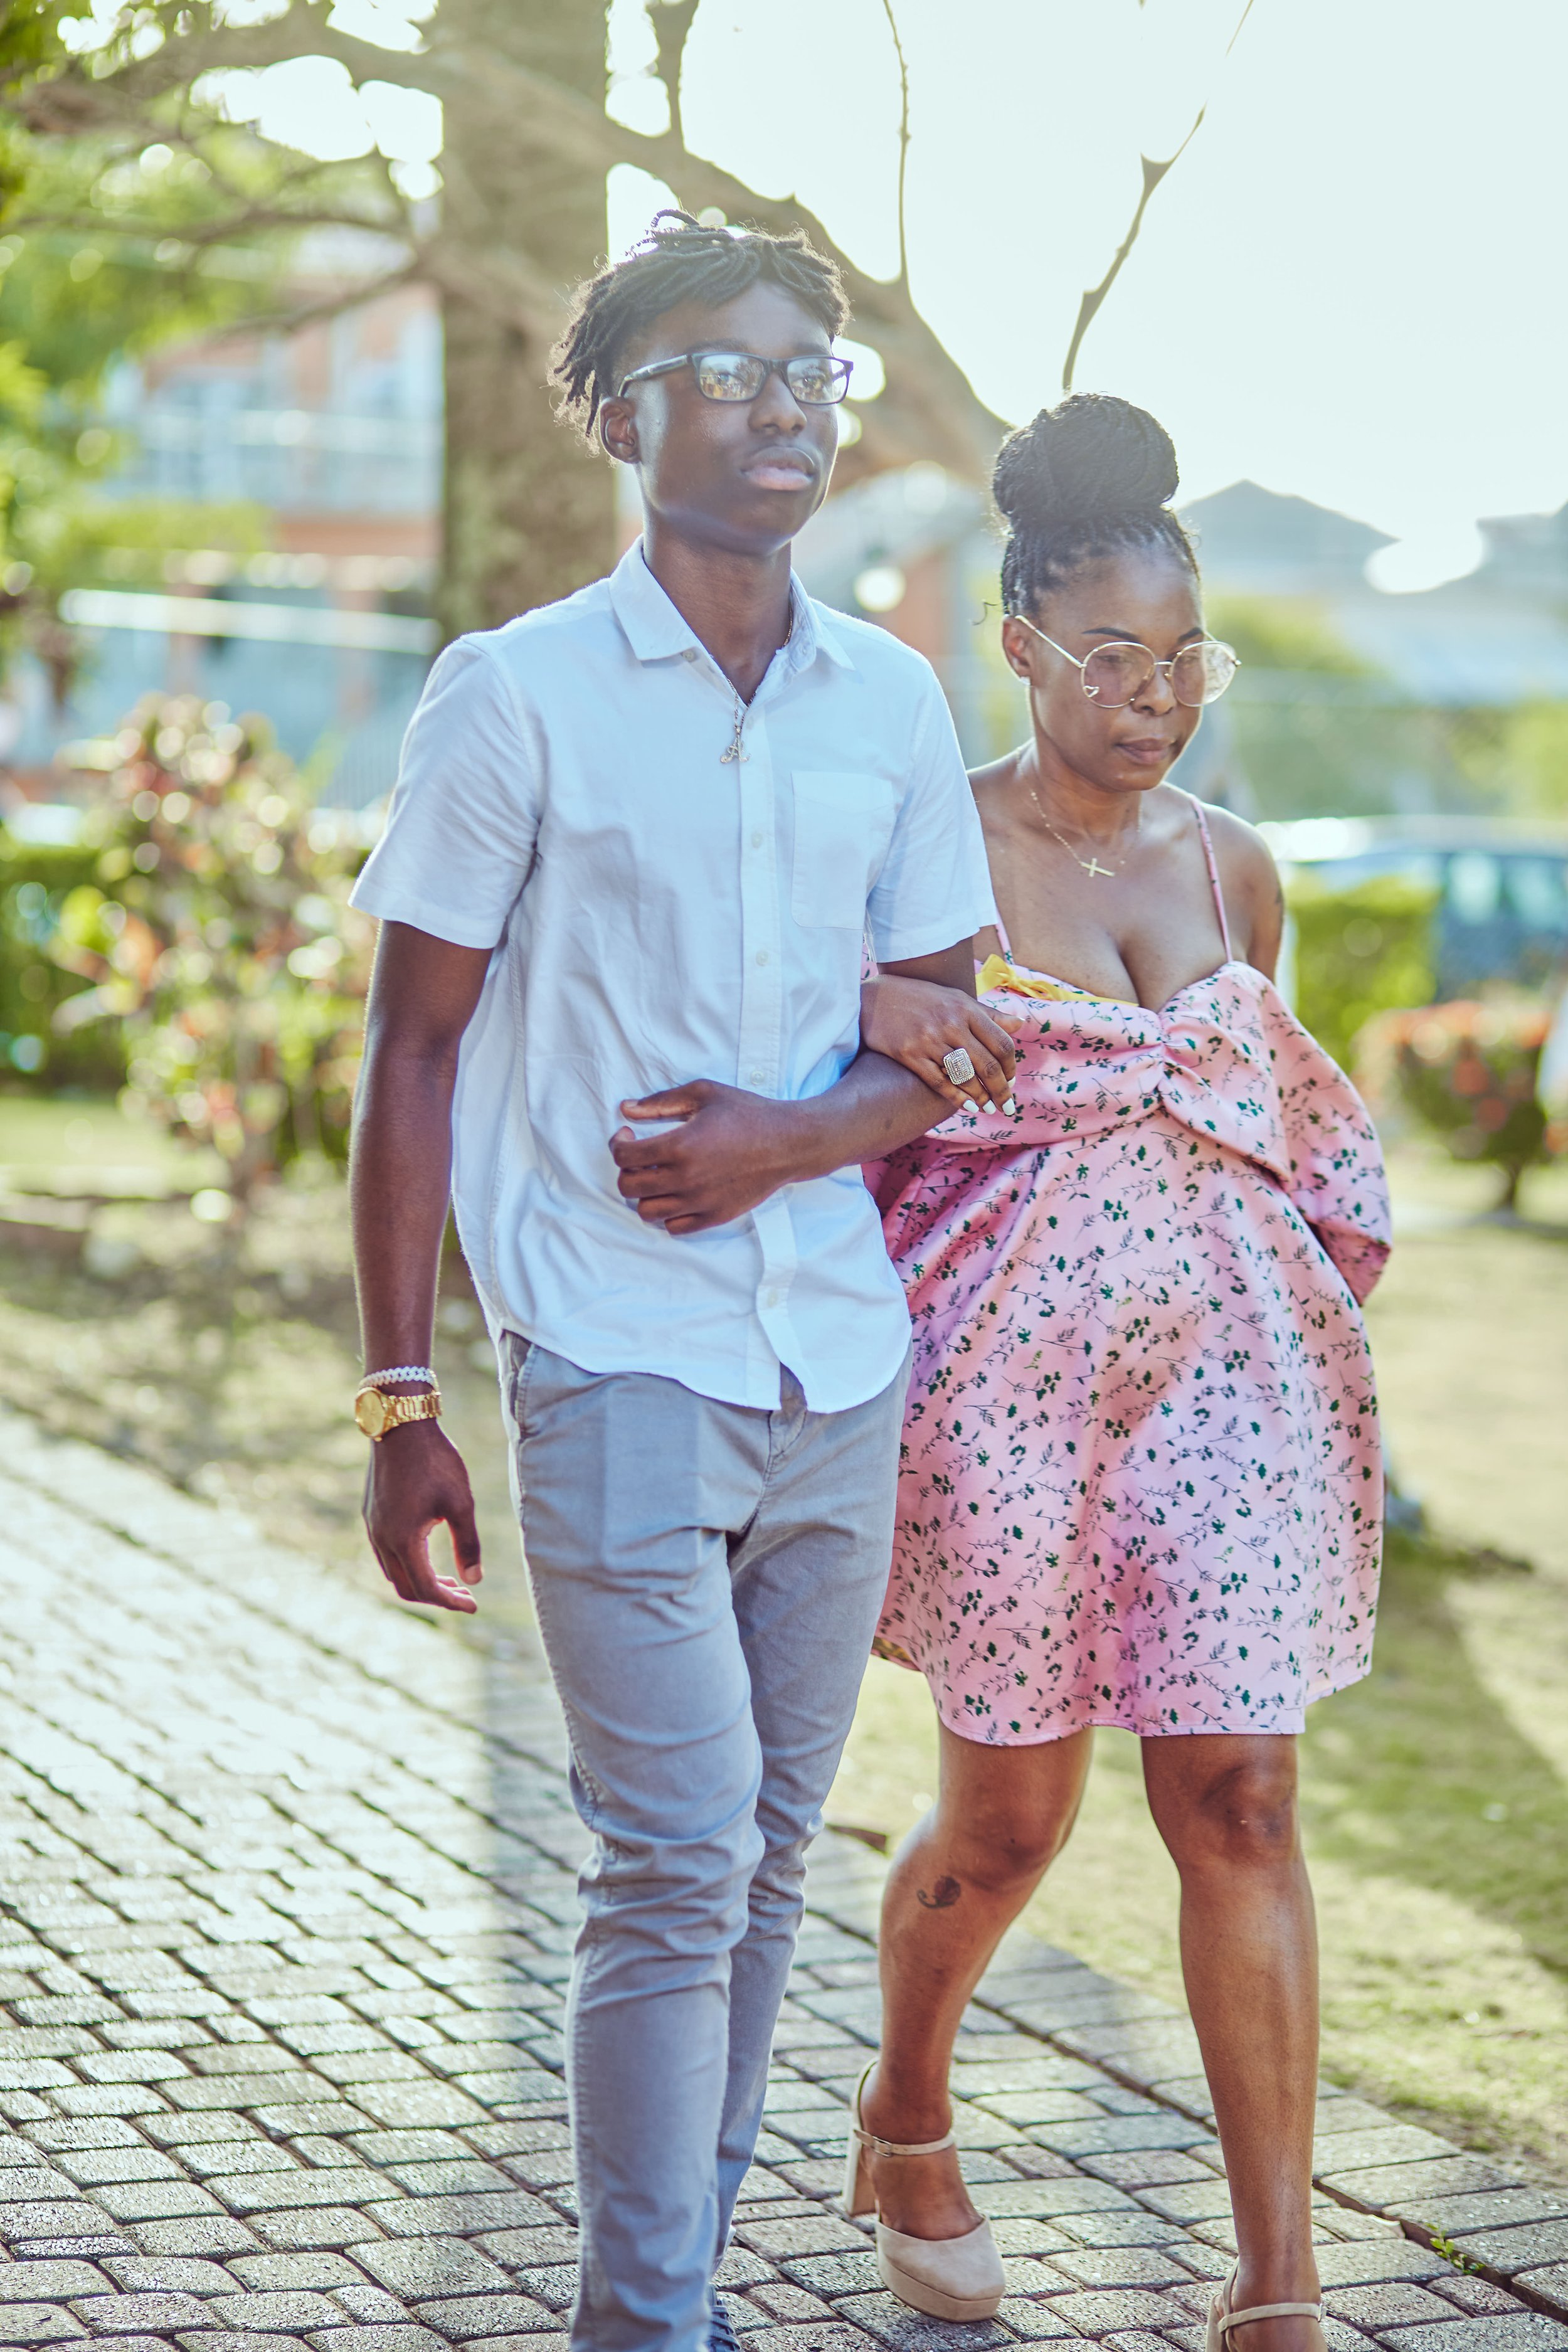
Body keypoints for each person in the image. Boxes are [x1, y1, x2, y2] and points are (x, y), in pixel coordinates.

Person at [344, 211, 1019, 2352]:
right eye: (728, 370)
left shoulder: (897, 699)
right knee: (669, 1853)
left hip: (840, 1362)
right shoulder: (515, 692)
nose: (784, 404)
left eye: (808, 368)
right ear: (625, 414)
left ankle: (677, 2297)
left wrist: (781, 1143)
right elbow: (415, 1047)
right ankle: (645, 2322)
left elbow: (943, 1038)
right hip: (611, 1356)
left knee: (750, 1863)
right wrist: (396, 1399)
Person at [848, 395, 1392, 2351]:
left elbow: (1278, 1128)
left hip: (1235, 1385)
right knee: (1007, 1826)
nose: (1154, 697)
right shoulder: (931, 851)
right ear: (1016, 645)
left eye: (1185, 660)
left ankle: (1277, 2287)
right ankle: (904, 2102)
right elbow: (868, 1124)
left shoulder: (1240, 872)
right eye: (1111, 658)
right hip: (998, 1391)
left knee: (1240, 1798)